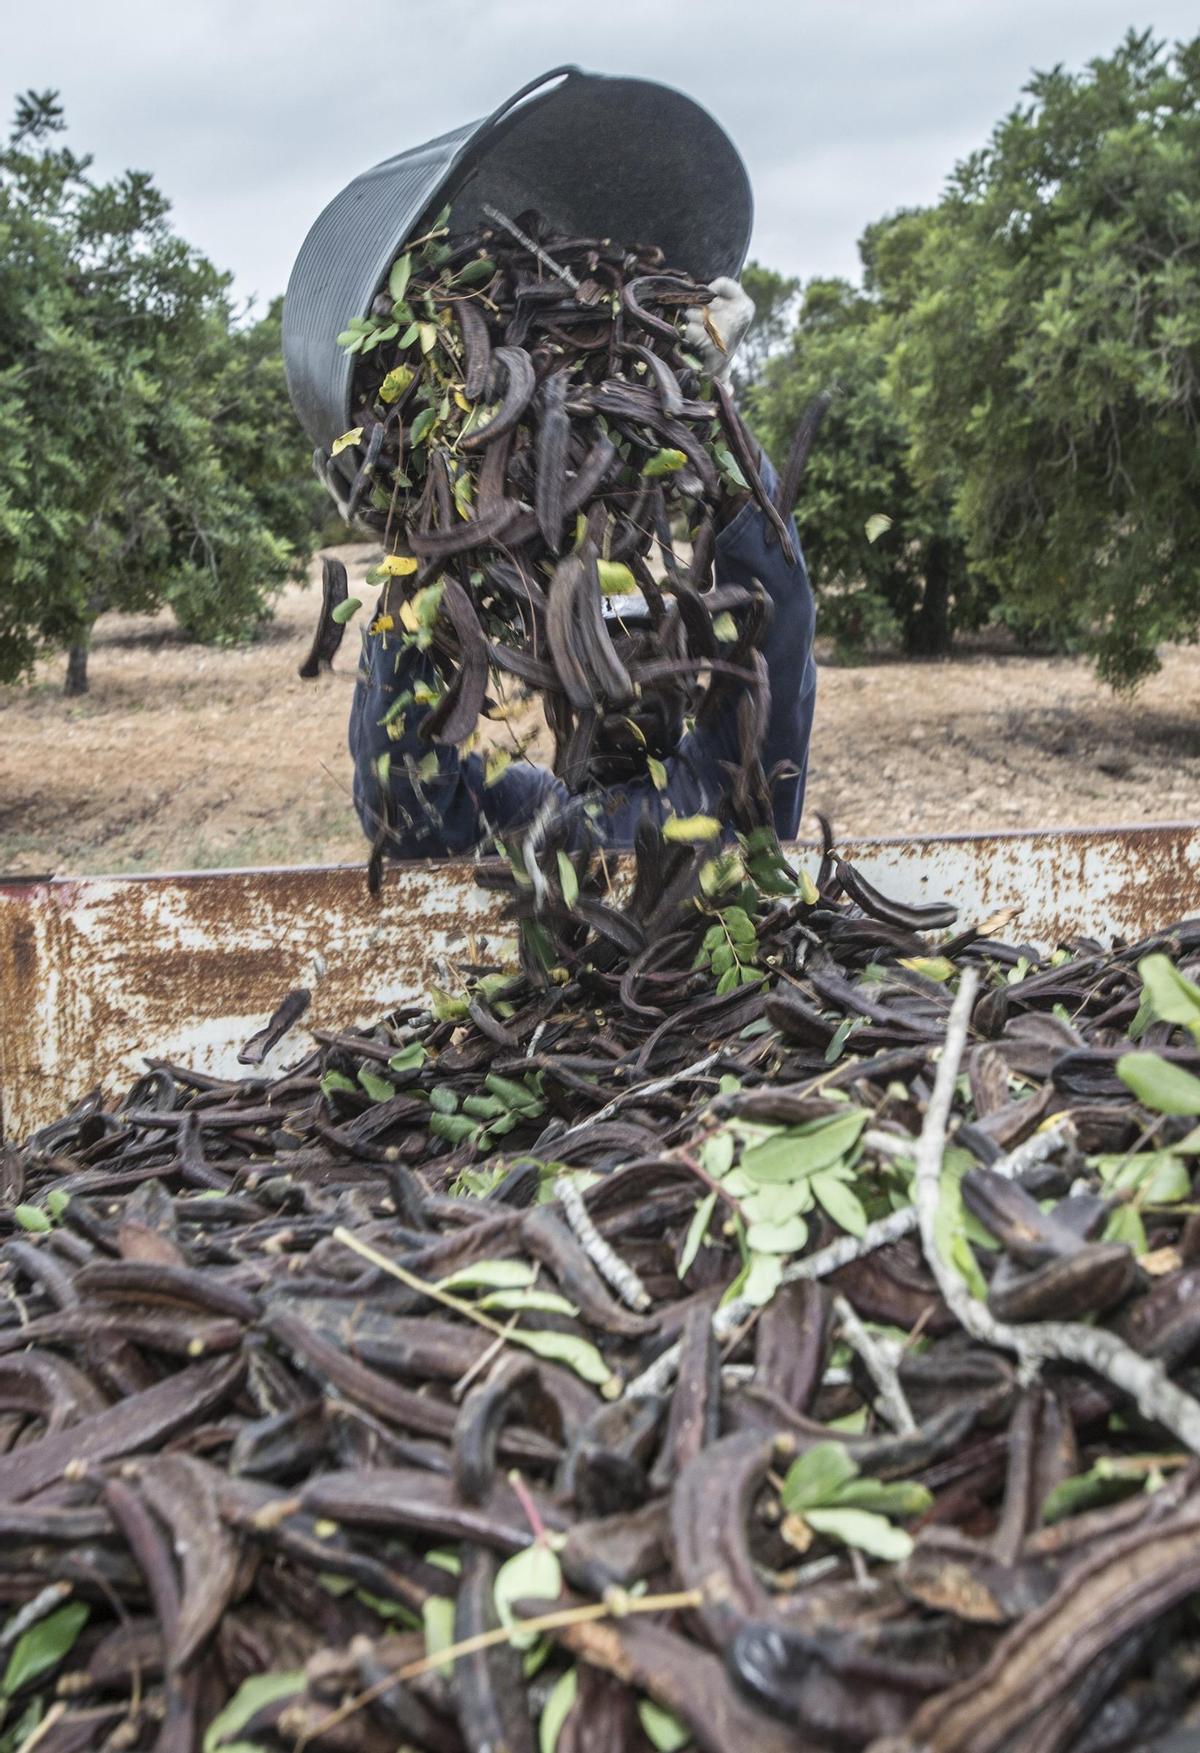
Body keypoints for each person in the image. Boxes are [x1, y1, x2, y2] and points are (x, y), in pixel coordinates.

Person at [346, 279, 817, 860]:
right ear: (560, 697)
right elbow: (403, 802)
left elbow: (778, 614)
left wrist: (708, 405)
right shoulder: (522, 817)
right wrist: (421, 528)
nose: (624, 678)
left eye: (645, 654)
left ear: (689, 691)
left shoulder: (728, 792)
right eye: (595, 655)